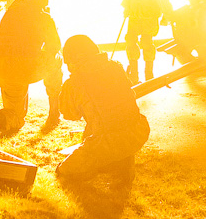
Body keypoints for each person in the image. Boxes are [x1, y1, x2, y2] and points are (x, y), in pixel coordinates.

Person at [56, 35, 150, 188]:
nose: (68, 67)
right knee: (99, 126)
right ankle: (122, 160)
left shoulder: (75, 82)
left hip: (109, 141)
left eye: (68, 62)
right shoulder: (115, 67)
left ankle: (109, 164)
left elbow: (69, 114)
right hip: (138, 130)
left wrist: (70, 91)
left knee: (64, 170)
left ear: (75, 59)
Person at [0, 0, 63, 142]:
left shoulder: (10, 13)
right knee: (57, 59)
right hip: (26, 68)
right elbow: (55, 46)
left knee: (16, 116)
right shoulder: (43, 18)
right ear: (41, 0)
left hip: (5, 69)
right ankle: (54, 111)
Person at [121, 0, 172, 83]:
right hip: (136, 12)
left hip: (149, 12)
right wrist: (127, 7)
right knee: (131, 40)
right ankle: (135, 75)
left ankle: (148, 74)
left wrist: (167, 13)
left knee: (146, 41)